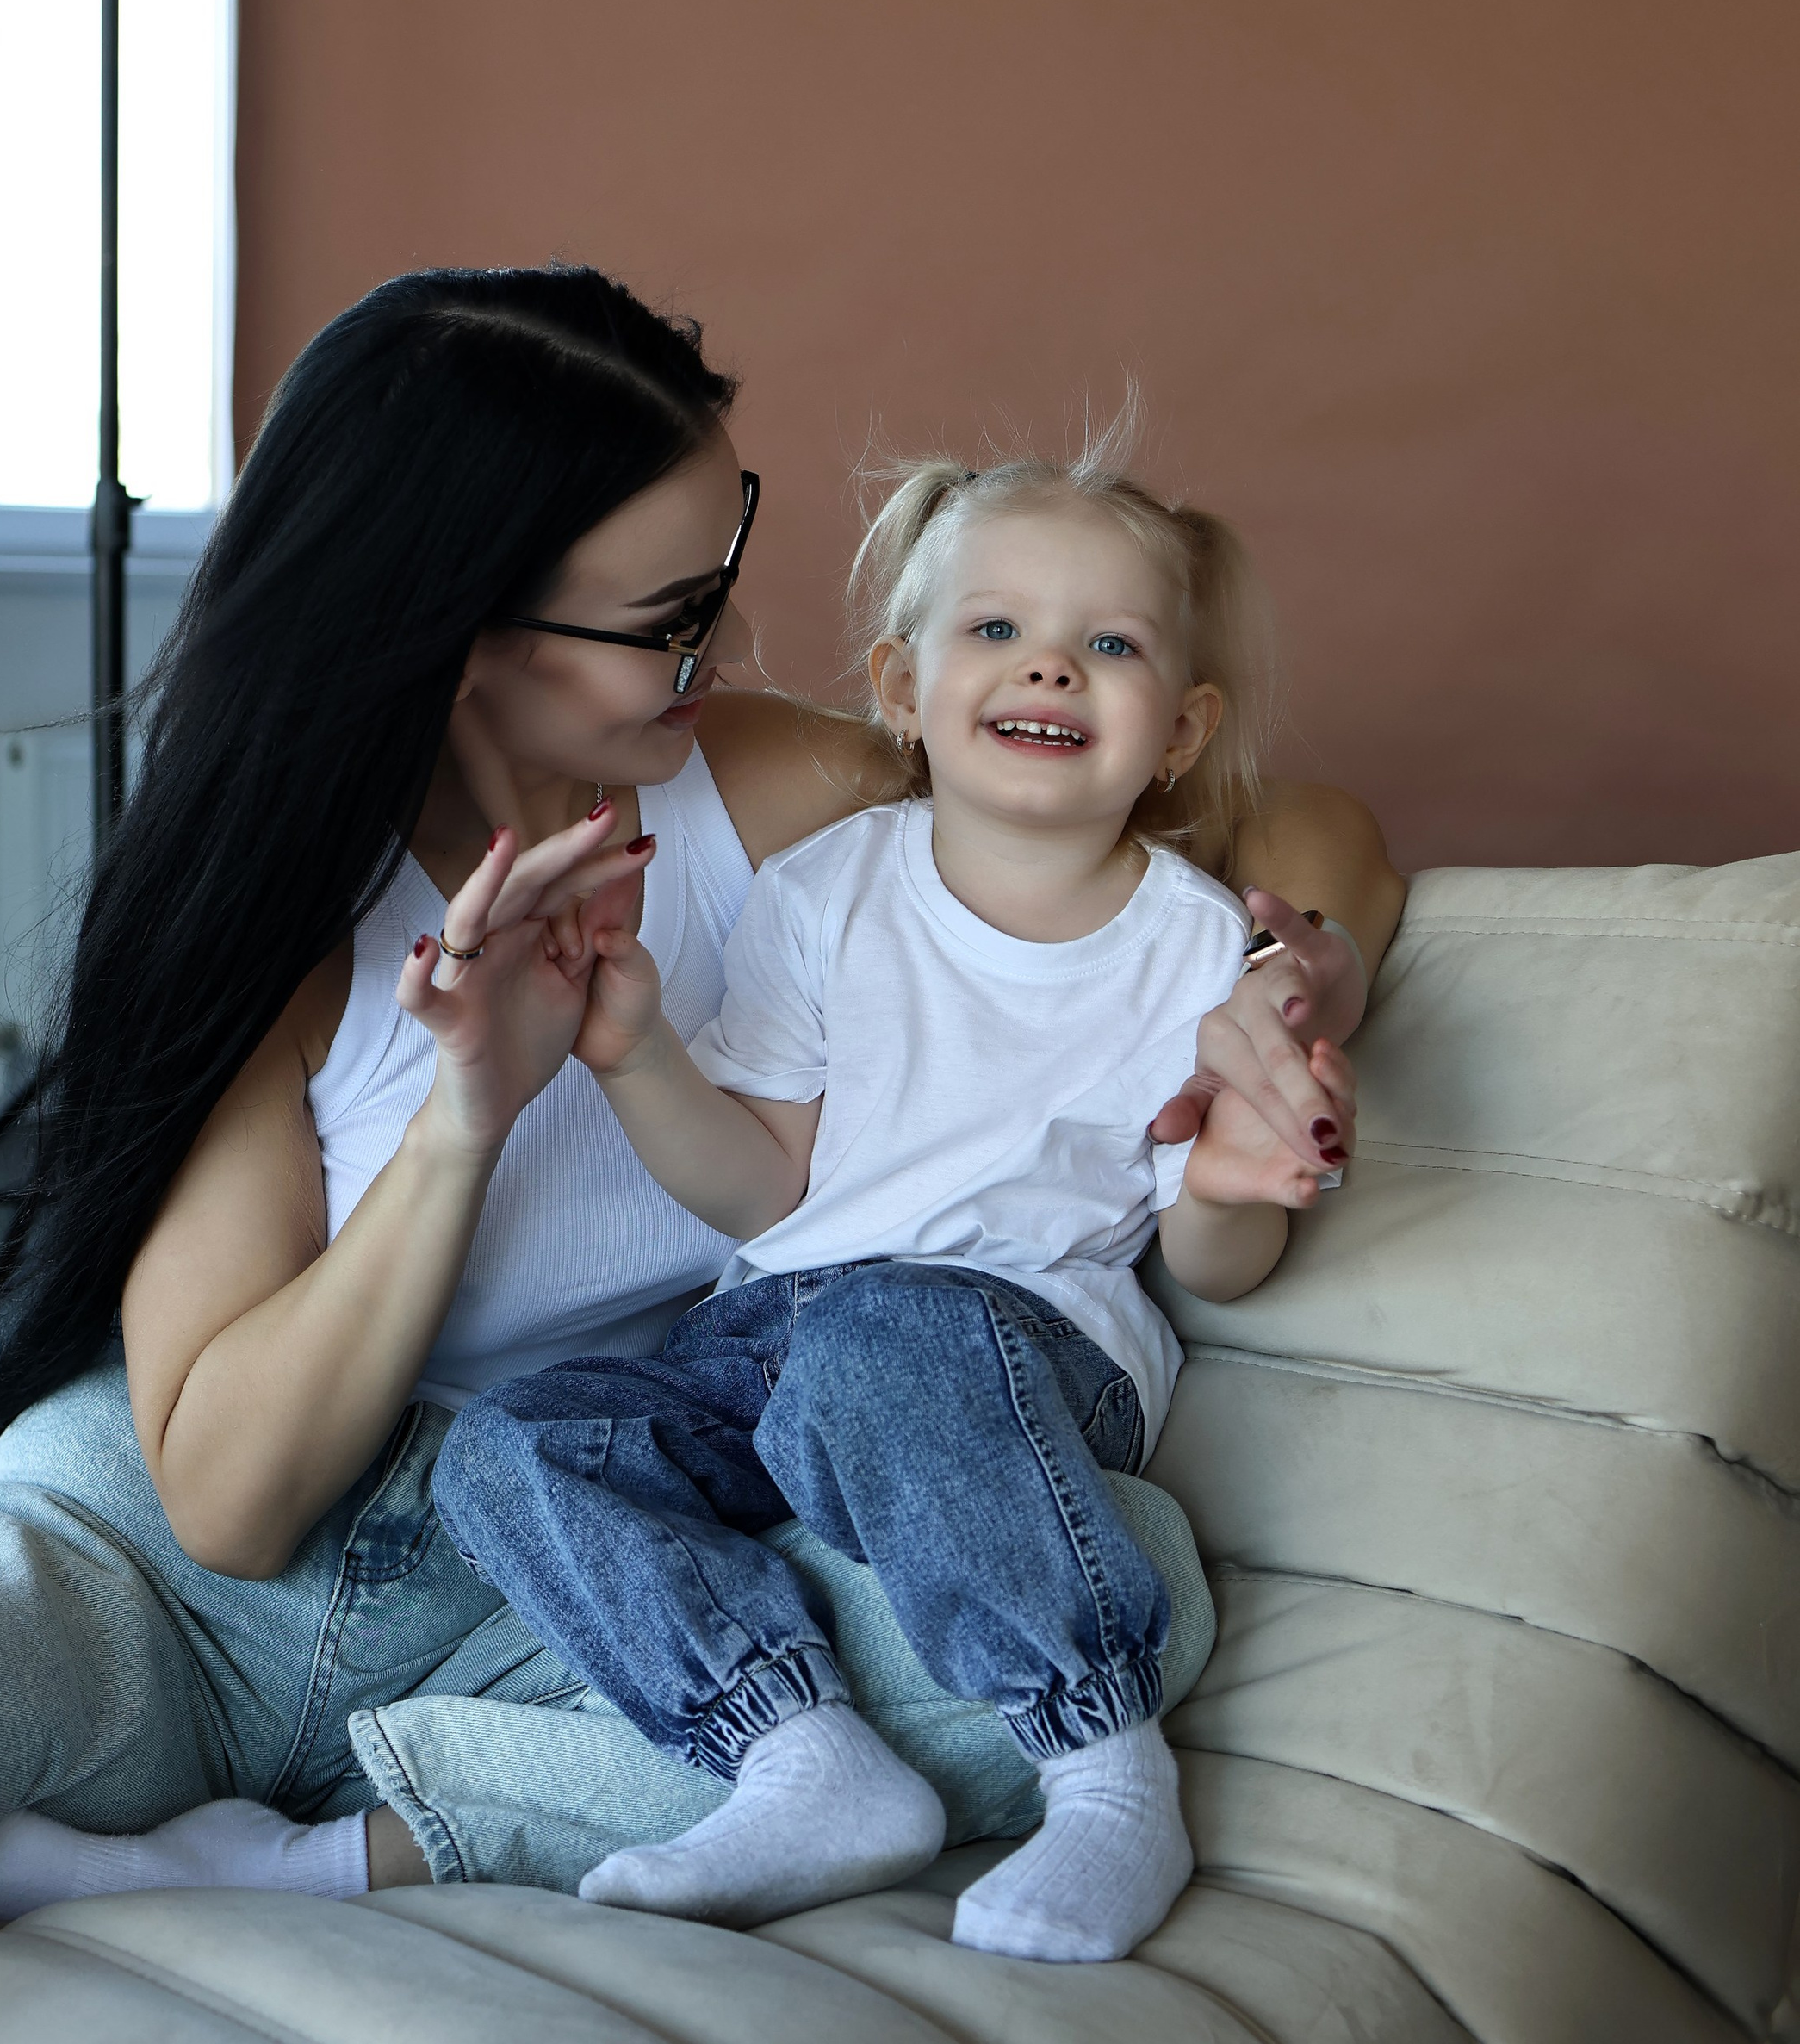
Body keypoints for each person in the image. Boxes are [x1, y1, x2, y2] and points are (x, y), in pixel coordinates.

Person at [0, 269, 1398, 2044]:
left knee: (1117, 1590)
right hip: (171, 1583)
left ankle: (314, 1845)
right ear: (461, 629)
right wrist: (470, 1114)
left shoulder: (776, 801)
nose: (724, 646)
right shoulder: (281, 928)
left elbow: (1291, 830)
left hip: (574, 1594)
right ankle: (281, 1797)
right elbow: (228, 1505)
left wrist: (1296, 986)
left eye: (722, 569)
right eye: (669, 617)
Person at [428, 449, 1344, 1960]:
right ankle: (799, 1754)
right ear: (902, 688)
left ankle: (1105, 1770)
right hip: (770, 1340)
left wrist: (1238, 1191)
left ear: (1181, 731)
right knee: (515, 1442)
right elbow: (764, 1185)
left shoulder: (1195, 955)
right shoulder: (825, 892)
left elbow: (1216, 1263)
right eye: (995, 629)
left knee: (879, 1336)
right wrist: (635, 1051)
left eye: (1110, 645)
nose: (1050, 664)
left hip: (1012, 1344)